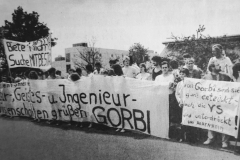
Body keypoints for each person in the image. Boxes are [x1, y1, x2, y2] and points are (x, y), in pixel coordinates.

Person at [203, 63, 231, 148]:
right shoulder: (206, 77)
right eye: (217, 65)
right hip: (211, 101)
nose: (220, 66)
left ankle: (225, 141)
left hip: (222, 101)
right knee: (210, 119)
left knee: (224, 120)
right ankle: (210, 138)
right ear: (212, 67)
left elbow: (232, 84)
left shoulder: (225, 76)